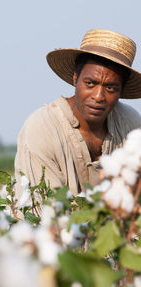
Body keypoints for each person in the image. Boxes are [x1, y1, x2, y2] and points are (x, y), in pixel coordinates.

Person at [15, 29, 141, 197]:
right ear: (75, 79)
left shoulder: (129, 125)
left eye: (110, 87)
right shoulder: (42, 128)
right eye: (90, 83)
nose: (98, 96)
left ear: (121, 90)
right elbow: (43, 212)